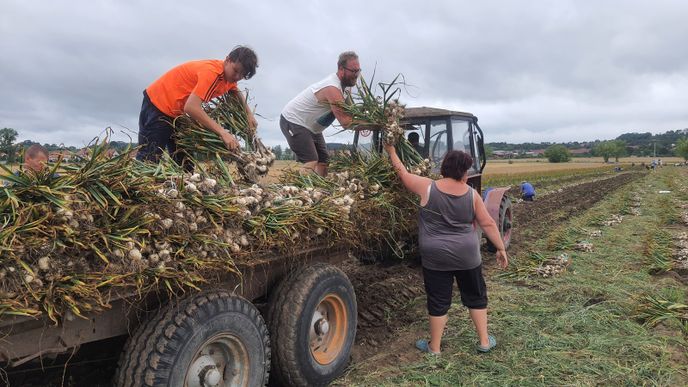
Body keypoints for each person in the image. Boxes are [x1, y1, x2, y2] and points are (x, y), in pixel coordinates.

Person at [383, 143, 508, 355]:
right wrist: (501, 248)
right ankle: (484, 342)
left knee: (438, 299)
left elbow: (402, 173)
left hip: (435, 256)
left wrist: (392, 152)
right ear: (464, 172)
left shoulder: (427, 187)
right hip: (467, 255)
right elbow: (487, 223)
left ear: (444, 168)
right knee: (476, 296)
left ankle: (435, 347)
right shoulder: (472, 195)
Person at [136, 46, 258, 167]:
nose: (237, 77)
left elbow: (234, 91)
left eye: (242, 75)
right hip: (158, 105)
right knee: (149, 161)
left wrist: (249, 113)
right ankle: (135, 186)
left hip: (176, 114)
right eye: (236, 71)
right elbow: (191, 107)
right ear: (227, 60)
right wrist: (222, 132)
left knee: (185, 164)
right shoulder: (212, 73)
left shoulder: (228, 79)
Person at [280, 51, 360, 176]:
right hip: (293, 121)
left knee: (323, 160)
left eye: (358, 71)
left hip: (312, 128)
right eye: (353, 71)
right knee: (311, 160)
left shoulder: (346, 89)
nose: (356, 75)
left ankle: (319, 190)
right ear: (341, 69)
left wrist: (367, 115)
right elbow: (346, 122)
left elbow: (353, 110)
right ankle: (298, 191)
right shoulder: (332, 88)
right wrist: (371, 124)